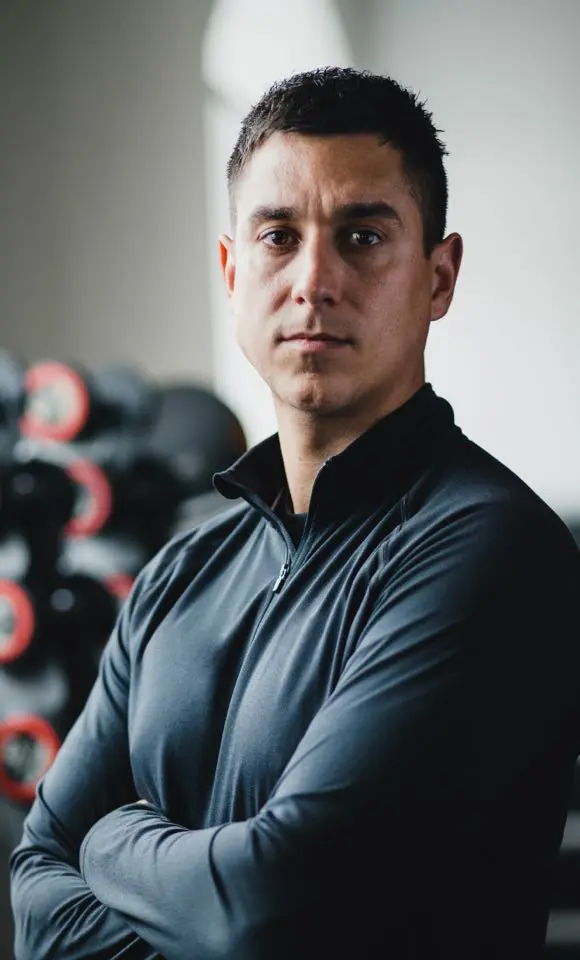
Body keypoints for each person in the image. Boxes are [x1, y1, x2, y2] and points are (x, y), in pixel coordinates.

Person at [10, 66, 580, 960]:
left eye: (362, 237)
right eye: (279, 236)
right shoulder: (177, 576)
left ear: (438, 277)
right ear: (232, 270)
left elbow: (267, 911)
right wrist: (197, 900)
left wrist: (113, 837)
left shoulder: (494, 551)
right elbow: (37, 896)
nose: (314, 279)